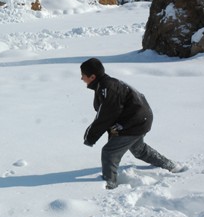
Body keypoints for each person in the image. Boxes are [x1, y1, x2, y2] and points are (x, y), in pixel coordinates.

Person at [80, 58, 186, 189]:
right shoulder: (104, 85)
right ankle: (171, 166)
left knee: (109, 152)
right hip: (138, 119)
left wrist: (90, 137)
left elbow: (105, 116)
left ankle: (109, 185)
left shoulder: (106, 87)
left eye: (83, 75)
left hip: (135, 121)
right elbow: (110, 113)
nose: (81, 78)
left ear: (92, 76)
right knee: (138, 149)